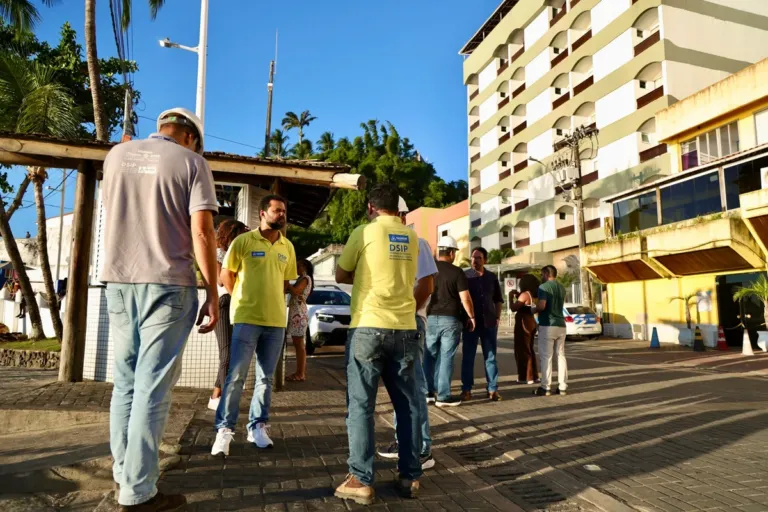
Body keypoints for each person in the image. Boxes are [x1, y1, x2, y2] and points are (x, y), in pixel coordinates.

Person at [101, 107, 219, 510]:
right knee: (153, 388)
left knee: (127, 384)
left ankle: (124, 473)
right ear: (190, 137)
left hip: (117, 282)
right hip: (167, 284)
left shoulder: (116, 155)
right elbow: (202, 230)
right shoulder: (193, 163)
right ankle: (138, 492)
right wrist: (213, 292)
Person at [333, 184, 422, 505]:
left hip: (369, 326)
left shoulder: (364, 232)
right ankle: (410, 476)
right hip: (406, 329)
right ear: (398, 209)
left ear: (371, 207)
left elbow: (341, 273)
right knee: (408, 405)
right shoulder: (412, 236)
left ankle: (360, 479)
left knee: (361, 406)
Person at [212, 194, 298, 455]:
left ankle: (257, 427)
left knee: (265, 378)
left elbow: (285, 282)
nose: (281, 215)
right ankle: (224, 431)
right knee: (235, 376)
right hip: (246, 319)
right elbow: (226, 275)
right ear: (262, 214)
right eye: (276, 210)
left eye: (283, 211)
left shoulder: (287, 247)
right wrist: (239, 297)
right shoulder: (243, 241)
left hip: (275, 322)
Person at [377, 197, 438, 468]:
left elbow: (426, 287)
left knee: (414, 386)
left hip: (411, 322)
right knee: (401, 387)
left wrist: (406, 312)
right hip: (394, 322)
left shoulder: (418, 243)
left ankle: (422, 448)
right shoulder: (384, 244)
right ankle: (406, 441)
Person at [423, 235, 475, 408]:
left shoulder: (429, 270)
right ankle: (443, 396)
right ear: (452, 253)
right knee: (446, 357)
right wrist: (471, 316)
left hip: (430, 317)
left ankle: (427, 392)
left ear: (439, 251)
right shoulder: (457, 272)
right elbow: (465, 298)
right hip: (451, 319)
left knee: (429, 355)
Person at [208, 219, 249, 411]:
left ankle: (216, 396)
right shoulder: (219, 253)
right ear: (232, 233)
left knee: (231, 353)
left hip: (235, 304)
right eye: (241, 232)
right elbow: (219, 281)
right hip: (224, 303)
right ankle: (224, 401)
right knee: (227, 353)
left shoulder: (237, 251)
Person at [461, 247, 504, 402]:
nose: (474, 260)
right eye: (473, 257)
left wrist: (498, 317)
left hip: (489, 323)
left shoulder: (491, 277)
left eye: (478, 258)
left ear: (484, 259)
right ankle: (466, 389)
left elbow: (498, 299)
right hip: (470, 324)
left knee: (490, 356)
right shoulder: (465, 276)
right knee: (468, 357)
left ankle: (492, 389)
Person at [532, 265, 568, 397]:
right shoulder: (561, 288)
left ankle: (545, 387)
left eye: (542, 274)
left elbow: (542, 306)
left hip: (548, 325)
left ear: (547, 274)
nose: (541, 277)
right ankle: (562, 386)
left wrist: (533, 309)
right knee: (561, 355)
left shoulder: (544, 287)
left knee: (546, 357)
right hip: (561, 325)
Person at [286, 259, 314, 382]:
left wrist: (286, 283)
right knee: (298, 345)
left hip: (298, 315)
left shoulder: (305, 279)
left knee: (299, 345)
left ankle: (300, 373)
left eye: (296, 266)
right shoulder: (302, 279)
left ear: (303, 266)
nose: (295, 268)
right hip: (297, 314)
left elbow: (296, 291)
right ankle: (299, 372)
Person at [510, 274, 540, 385]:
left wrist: (510, 297)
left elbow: (514, 308)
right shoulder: (533, 294)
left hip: (523, 323)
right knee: (529, 349)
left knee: (522, 350)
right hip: (531, 322)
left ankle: (526, 377)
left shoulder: (524, 294)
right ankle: (534, 375)